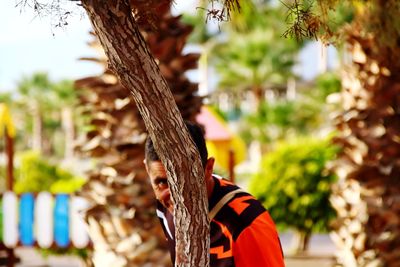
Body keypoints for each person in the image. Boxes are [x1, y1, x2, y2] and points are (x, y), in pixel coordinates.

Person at [144, 121, 285, 267]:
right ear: (147, 170)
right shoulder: (162, 206)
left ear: (208, 168)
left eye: (185, 181)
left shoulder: (247, 225)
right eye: (162, 182)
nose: (175, 197)